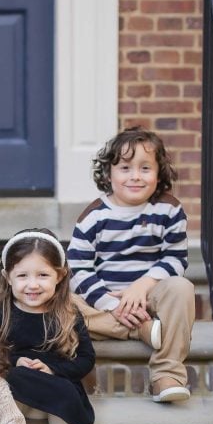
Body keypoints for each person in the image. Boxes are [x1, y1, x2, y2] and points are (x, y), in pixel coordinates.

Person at [67, 126, 195, 404]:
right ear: (109, 173)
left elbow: (175, 258)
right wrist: (112, 305)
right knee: (61, 304)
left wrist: (142, 286)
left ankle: (167, 373)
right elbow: (78, 268)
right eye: (125, 168)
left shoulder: (169, 210)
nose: (135, 176)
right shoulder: (93, 216)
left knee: (182, 289)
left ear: (159, 173)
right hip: (103, 299)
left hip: (151, 297)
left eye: (145, 168)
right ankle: (141, 330)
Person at [0, 229, 95, 424]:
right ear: (7, 277)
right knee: (6, 386)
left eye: (43, 275)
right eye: (22, 275)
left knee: (65, 390)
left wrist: (52, 368)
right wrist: (15, 362)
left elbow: (86, 359)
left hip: (56, 384)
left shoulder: (68, 314)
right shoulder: (4, 313)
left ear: (60, 275)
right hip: (20, 389)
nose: (32, 284)